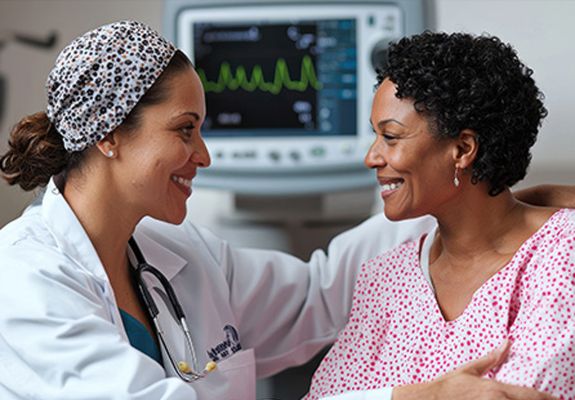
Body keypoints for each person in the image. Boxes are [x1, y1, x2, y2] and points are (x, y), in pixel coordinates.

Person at [0, 21, 571, 400]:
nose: (203, 154)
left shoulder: (180, 255)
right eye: (185, 130)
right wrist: (407, 398)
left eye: (392, 138)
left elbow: (321, 291)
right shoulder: (23, 281)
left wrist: (499, 201)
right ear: (109, 135)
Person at [304, 32, 575, 400]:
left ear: (462, 149)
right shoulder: (384, 278)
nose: (372, 157)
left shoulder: (561, 254)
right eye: (375, 136)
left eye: (391, 137)